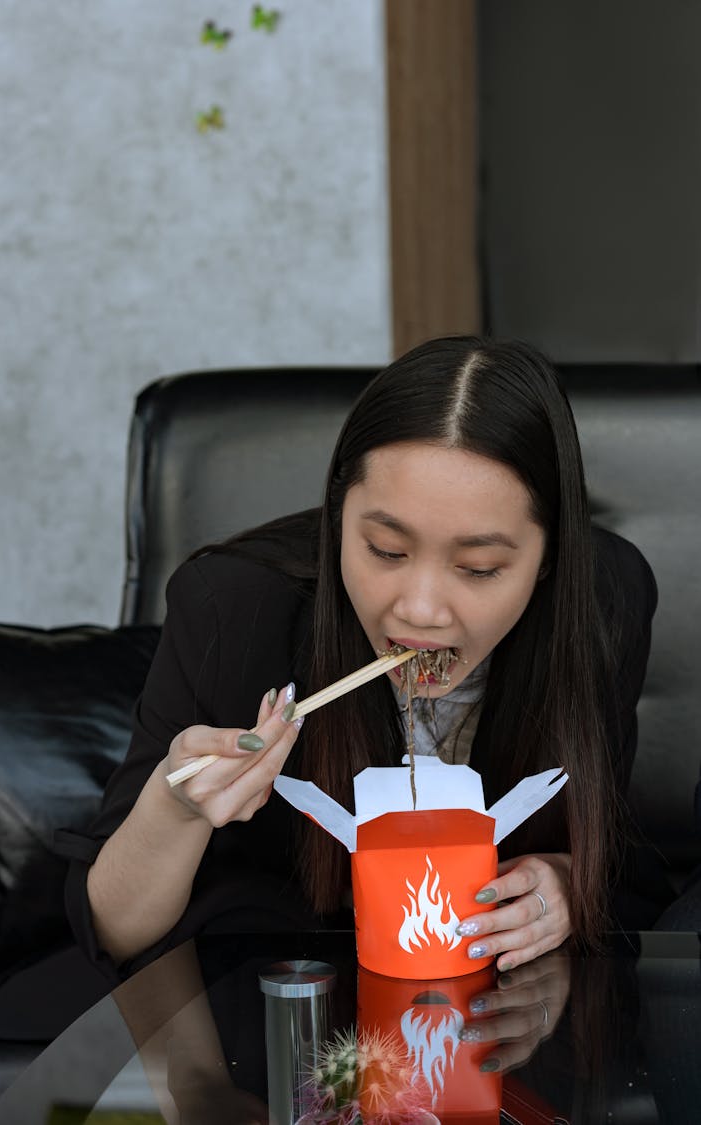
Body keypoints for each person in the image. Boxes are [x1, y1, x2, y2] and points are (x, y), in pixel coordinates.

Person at [63, 336, 659, 985]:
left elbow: (607, 843)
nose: (422, 609)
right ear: (337, 515)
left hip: (504, 1015)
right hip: (269, 1009)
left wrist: (569, 882)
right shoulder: (232, 606)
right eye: (385, 550)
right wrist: (174, 809)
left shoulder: (604, 597)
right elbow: (115, 933)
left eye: (479, 567)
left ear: (548, 559)